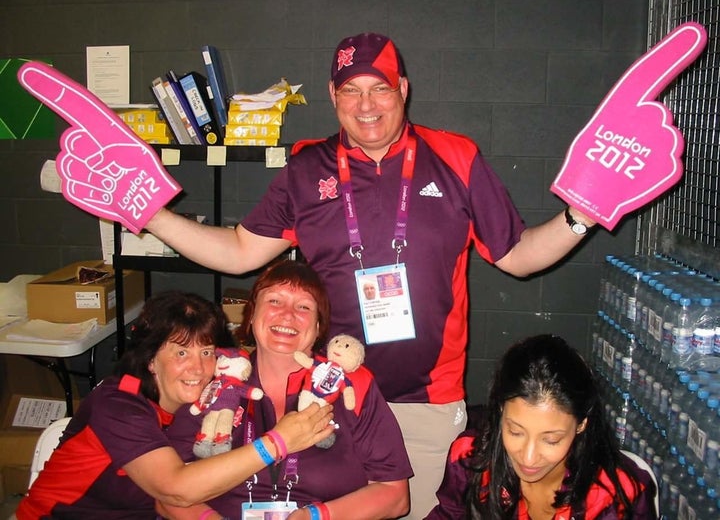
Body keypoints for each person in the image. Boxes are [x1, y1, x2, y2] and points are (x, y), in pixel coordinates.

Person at [138, 32, 600, 518]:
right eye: (350, 90)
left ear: (403, 88)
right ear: (333, 96)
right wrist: (152, 216)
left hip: (422, 403)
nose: (366, 105)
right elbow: (239, 251)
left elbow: (517, 256)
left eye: (379, 88)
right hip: (324, 397)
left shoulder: (455, 157)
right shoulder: (307, 166)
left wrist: (582, 216)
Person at [15, 290, 334, 520]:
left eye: (206, 352)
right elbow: (175, 488)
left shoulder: (202, 402)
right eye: (181, 353)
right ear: (151, 360)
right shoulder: (117, 405)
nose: (197, 368)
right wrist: (279, 442)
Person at [160, 259, 412, 520]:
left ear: (318, 327)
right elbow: (167, 493)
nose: (288, 314)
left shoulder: (353, 384)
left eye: (304, 306)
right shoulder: (216, 377)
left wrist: (317, 516)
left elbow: (394, 495)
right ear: (252, 314)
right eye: (274, 301)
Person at [425, 334, 657, 519]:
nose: (528, 457)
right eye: (515, 432)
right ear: (500, 413)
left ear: (581, 424)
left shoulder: (617, 493)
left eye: (551, 439)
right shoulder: (471, 459)